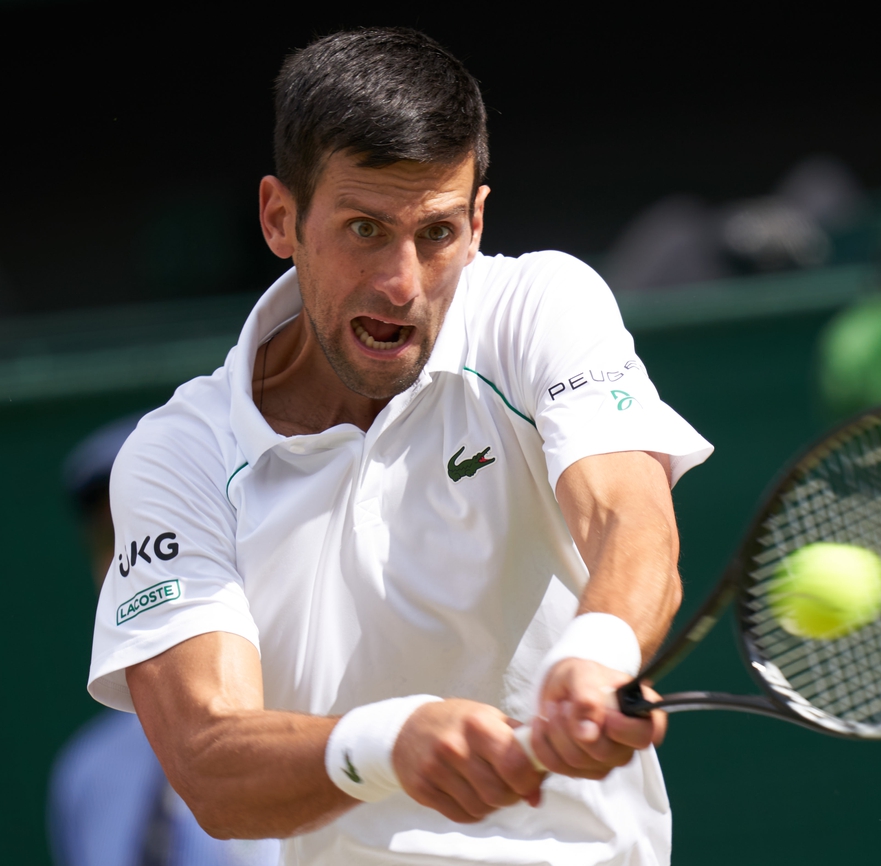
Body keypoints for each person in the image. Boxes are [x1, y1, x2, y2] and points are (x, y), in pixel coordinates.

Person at [88, 27, 712, 866]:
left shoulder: (540, 307)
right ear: (282, 218)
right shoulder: (178, 458)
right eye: (364, 229)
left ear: (479, 221)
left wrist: (595, 654)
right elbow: (210, 762)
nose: (402, 285)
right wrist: (389, 743)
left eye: (438, 233)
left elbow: (631, 523)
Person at [50, 416, 281, 866]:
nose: (139, 565)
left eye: (169, 537)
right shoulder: (86, 775)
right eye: (116, 542)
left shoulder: (349, 720)